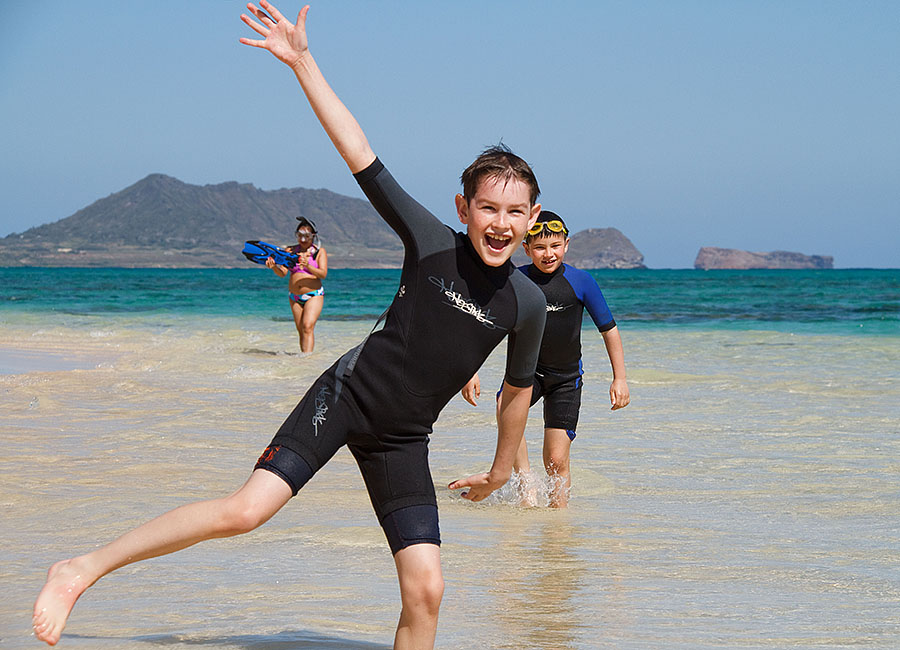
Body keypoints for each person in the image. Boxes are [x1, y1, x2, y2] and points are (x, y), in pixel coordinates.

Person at [32, 3, 546, 649]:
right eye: (488, 208)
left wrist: (501, 471)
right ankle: (80, 569)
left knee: (427, 589)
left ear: (532, 219)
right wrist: (302, 60)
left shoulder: (526, 303)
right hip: (348, 396)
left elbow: (517, 393)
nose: (500, 223)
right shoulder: (431, 243)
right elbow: (361, 154)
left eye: (515, 212)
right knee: (246, 512)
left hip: (404, 439)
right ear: (463, 208)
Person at [461, 211, 630, 508]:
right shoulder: (515, 280)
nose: (548, 254)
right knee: (503, 407)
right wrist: (469, 369)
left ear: (566, 244)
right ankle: (526, 485)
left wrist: (620, 378)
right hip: (526, 374)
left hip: (565, 380)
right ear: (526, 249)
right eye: (539, 247)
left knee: (556, 459)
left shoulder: (582, 281)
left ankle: (558, 519)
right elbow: (484, 326)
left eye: (555, 246)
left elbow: (609, 330)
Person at [265, 216, 328, 352]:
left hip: (313, 295)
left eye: (306, 236)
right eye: (300, 235)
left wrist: (308, 266)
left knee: (307, 326)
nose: (303, 239)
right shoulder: (290, 251)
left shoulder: (318, 252)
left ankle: (308, 358)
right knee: (301, 330)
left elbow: (323, 274)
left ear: (313, 236)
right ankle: (303, 359)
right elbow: (282, 273)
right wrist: (274, 266)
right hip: (294, 296)